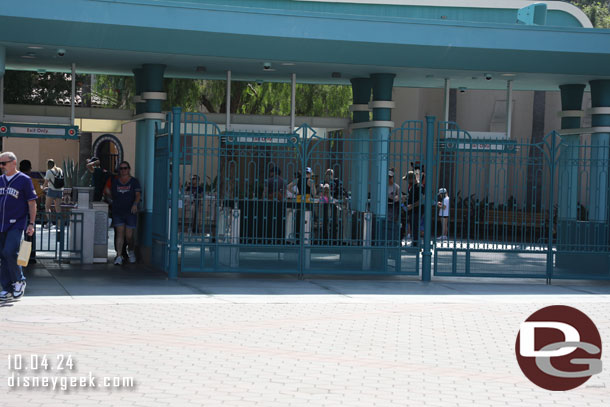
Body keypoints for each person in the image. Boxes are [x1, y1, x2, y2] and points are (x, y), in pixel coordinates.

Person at [0, 152, 36, 300]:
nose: (1, 166)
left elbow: (32, 203)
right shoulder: (0, 180)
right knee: (3, 255)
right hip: (1, 224)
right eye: (0, 163)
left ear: (14, 163)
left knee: (10, 251)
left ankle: (19, 280)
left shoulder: (24, 180)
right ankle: (7, 288)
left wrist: (32, 223)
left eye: (4, 163)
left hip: (16, 223)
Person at [104, 161, 141, 265]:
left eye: (125, 168)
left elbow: (138, 194)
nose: (123, 170)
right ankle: (119, 256)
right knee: (120, 233)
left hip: (130, 211)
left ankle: (131, 251)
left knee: (129, 236)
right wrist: (110, 196)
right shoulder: (115, 182)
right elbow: (108, 191)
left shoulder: (134, 181)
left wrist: (135, 204)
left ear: (129, 169)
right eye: (121, 168)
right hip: (118, 211)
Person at [18, 160, 38, 264]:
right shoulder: (32, 181)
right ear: (30, 169)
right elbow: (38, 194)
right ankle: (28, 257)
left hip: (17, 212)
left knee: (14, 235)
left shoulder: (15, 179)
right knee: (29, 235)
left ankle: (14, 256)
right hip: (29, 212)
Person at [403, 171, 422, 247]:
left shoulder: (418, 187)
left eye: (407, 180)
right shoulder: (412, 187)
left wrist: (412, 206)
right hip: (412, 211)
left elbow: (421, 200)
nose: (407, 181)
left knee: (415, 227)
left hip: (416, 210)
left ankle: (416, 243)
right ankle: (414, 242)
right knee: (413, 227)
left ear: (411, 179)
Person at [42, 159, 64, 228]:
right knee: (58, 208)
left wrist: (43, 188)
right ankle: (59, 225)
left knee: (47, 206)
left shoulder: (49, 171)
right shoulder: (60, 170)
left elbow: (46, 182)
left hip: (52, 190)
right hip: (60, 190)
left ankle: (50, 222)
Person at [386, 169, 401, 245]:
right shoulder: (384, 186)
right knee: (386, 224)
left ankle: (394, 241)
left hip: (394, 207)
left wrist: (395, 197)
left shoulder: (396, 187)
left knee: (394, 225)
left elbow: (399, 197)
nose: (389, 179)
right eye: (388, 177)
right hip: (386, 207)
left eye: (390, 177)